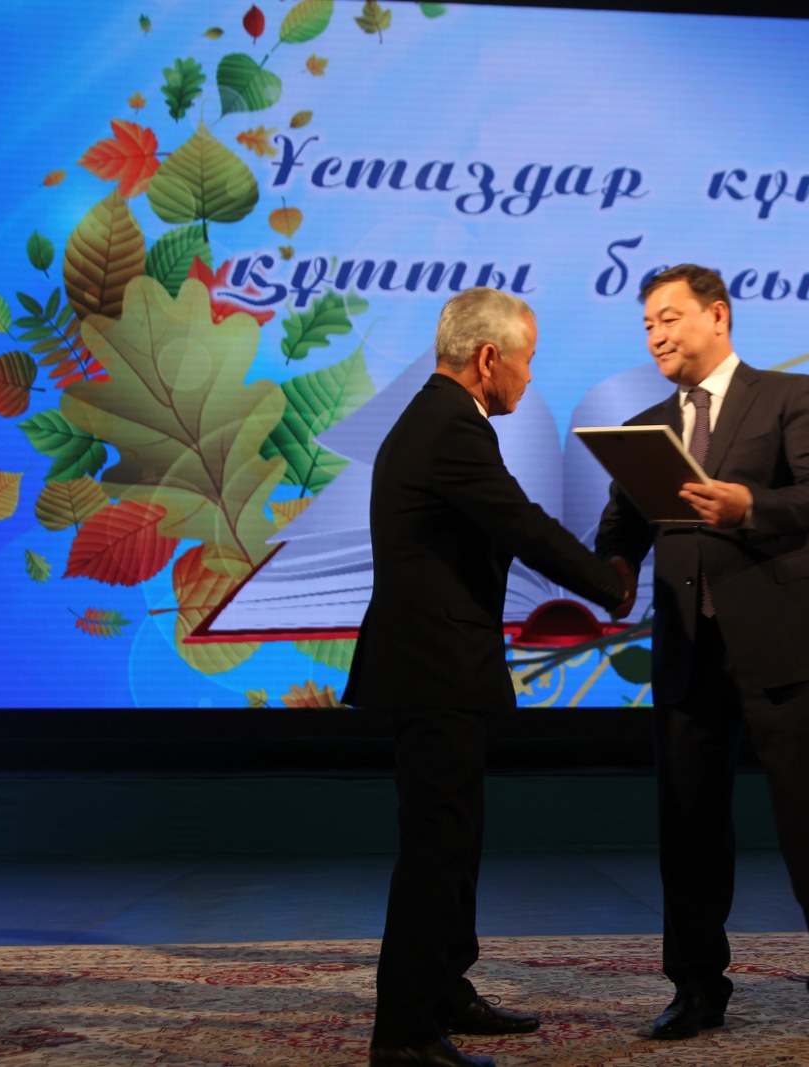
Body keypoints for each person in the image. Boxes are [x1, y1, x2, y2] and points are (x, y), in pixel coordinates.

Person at [344, 287, 631, 1067]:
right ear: (488, 358)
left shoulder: (439, 417)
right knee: (435, 848)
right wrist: (608, 583)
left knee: (455, 840)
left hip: (440, 666)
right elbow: (521, 522)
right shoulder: (450, 427)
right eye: (528, 359)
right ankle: (404, 1034)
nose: (531, 377)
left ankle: (444, 989)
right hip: (432, 669)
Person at [594, 264, 809, 1048]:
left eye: (669, 318)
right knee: (687, 825)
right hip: (688, 649)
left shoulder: (787, 395)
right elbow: (623, 525)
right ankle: (695, 988)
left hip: (781, 643)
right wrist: (613, 567)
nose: (656, 336)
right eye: (647, 325)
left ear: (717, 315)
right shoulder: (649, 426)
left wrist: (751, 505)